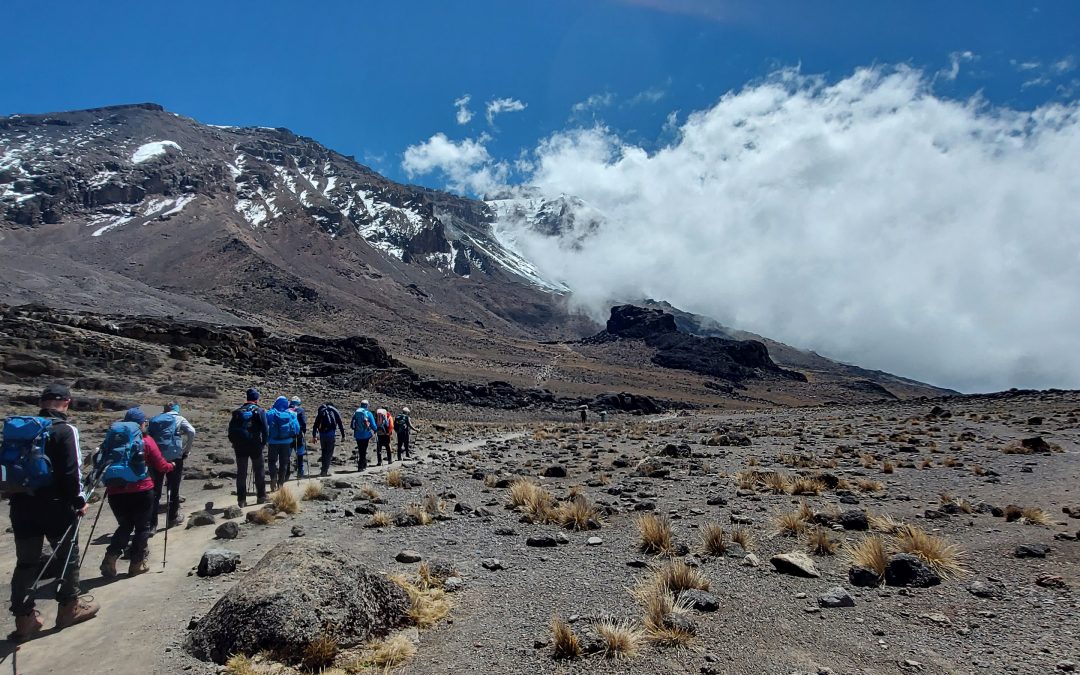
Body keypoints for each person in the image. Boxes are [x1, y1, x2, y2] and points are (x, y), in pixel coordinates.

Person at [6, 384, 99, 642]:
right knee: (68, 555)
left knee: (26, 562)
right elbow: (72, 472)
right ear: (67, 403)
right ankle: (69, 609)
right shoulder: (65, 430)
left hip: (21, 506)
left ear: (41, 401)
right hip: (57, 506)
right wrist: (79, 501)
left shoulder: (20, 431)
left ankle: (25, 621)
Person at [100, 408, 174, 578]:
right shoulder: (146, 441)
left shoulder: (112, 441)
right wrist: (171, 466)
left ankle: (110, 558)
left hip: (115, 491)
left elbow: (100, 460)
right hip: (141, 490)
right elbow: (161, 465)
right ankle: (136, 565)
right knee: (142, 528)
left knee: (125, 525)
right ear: (142, 424)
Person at [147, 402, 195, 530]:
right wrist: (186, 450)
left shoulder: (155, 420)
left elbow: (148, 437)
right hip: (175, 457)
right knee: (174, 487)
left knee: (155, 490)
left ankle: (152, 525)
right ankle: (172, 518)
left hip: (156, 458)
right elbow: (191, 431)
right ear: (176, 409)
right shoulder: (179, 418)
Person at [227, 387, 268, 507]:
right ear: (256, 399)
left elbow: (230, 430)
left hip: (240, 445)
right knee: (259, 470)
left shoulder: (238, 411)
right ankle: (261, 496)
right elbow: (265, 429)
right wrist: (263, 443)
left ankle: (241, 500)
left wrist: (234, 443)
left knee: (241, 473)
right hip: (254, 444)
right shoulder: (259, 411)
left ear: (247, 397)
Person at [265, 396, 300, 490]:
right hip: (286, 442)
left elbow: (264, 426)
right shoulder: (291, 413)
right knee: (284, 463)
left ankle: (273, 478)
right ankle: (281, 484)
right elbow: (297, 429)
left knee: (272, 461)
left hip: (273, 442)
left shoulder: (270, 413)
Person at [311, 402, 345, 476]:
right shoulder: (334, 412)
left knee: (324, 452)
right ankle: (325, 471)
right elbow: (340, 424)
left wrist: (314, 436)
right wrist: (343, 435)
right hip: (331, 435)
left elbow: (315, 425)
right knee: (329, 453)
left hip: (322, 435)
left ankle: (323, 470)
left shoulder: (321, 412)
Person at [350, 400, 376, 471]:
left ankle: (363, 464)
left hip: (357, 434)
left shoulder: (356, 413)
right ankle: (361, 466)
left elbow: (352, 424)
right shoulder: (368, 413)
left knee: (360, 449)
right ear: (367, 405)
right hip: (366, 435)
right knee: (363, 450)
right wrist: (375, 430)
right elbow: (373, 424)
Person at [289, 397, 308, 478]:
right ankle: (300, 472)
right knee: (300, 454)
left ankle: (286, 473)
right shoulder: (300, 410)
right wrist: (304, 431)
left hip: (288, 435)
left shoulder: (287, 410)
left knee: (287, 455)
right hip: (298, 435)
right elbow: (303, 423)